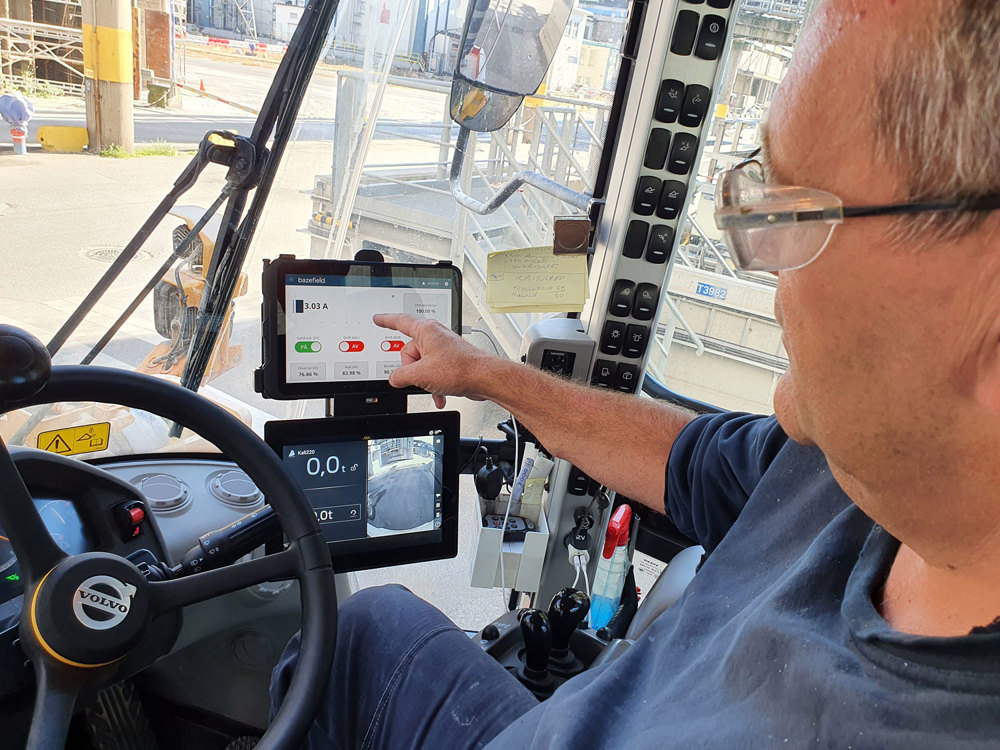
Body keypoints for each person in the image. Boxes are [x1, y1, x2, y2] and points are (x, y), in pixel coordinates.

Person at [271, 0, 1000, 746]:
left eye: (793, 218)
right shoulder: (841, 463)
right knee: (363, 632)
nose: (763, 269)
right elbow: (682, 458)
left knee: (333, 645)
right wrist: (483, 373)